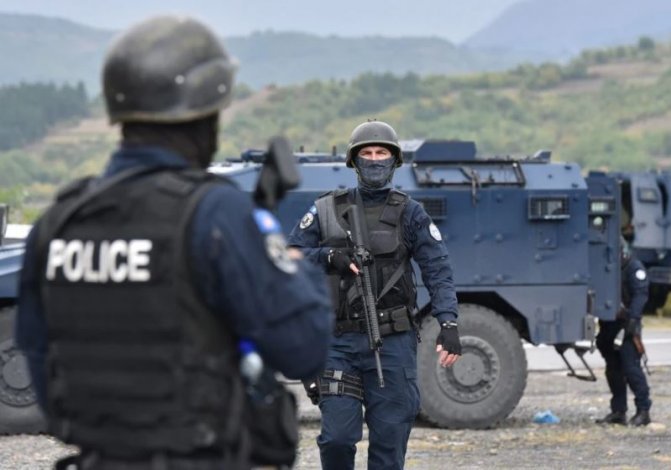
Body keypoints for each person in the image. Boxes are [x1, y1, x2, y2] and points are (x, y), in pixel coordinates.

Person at [14, 16, 334, 470]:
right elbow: (303, 348)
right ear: (205, 118)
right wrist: (295, 268)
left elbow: (43, 371)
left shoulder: (59, 222)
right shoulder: (215, 213)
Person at [288, 120, 462, 470]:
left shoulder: (410, 213)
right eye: (366, 153)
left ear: (394, 160)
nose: (374, 159)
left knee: (389, 443)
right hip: (338, 344)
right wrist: (328, 257)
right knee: (337, 439)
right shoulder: (326, 209)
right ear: (354, 161)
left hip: (393, 342)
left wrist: (448, 323)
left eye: (381, 152)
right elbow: (289, 256)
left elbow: (438, 270)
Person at [595, 239, 652, 427]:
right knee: (613, 369)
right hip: (609, 323)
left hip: (626, 324)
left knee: (631, 369)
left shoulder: (633, 267)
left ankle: (643, 411)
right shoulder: (606, 269)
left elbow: (640, 294)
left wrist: (633, 319)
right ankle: (618, 411)